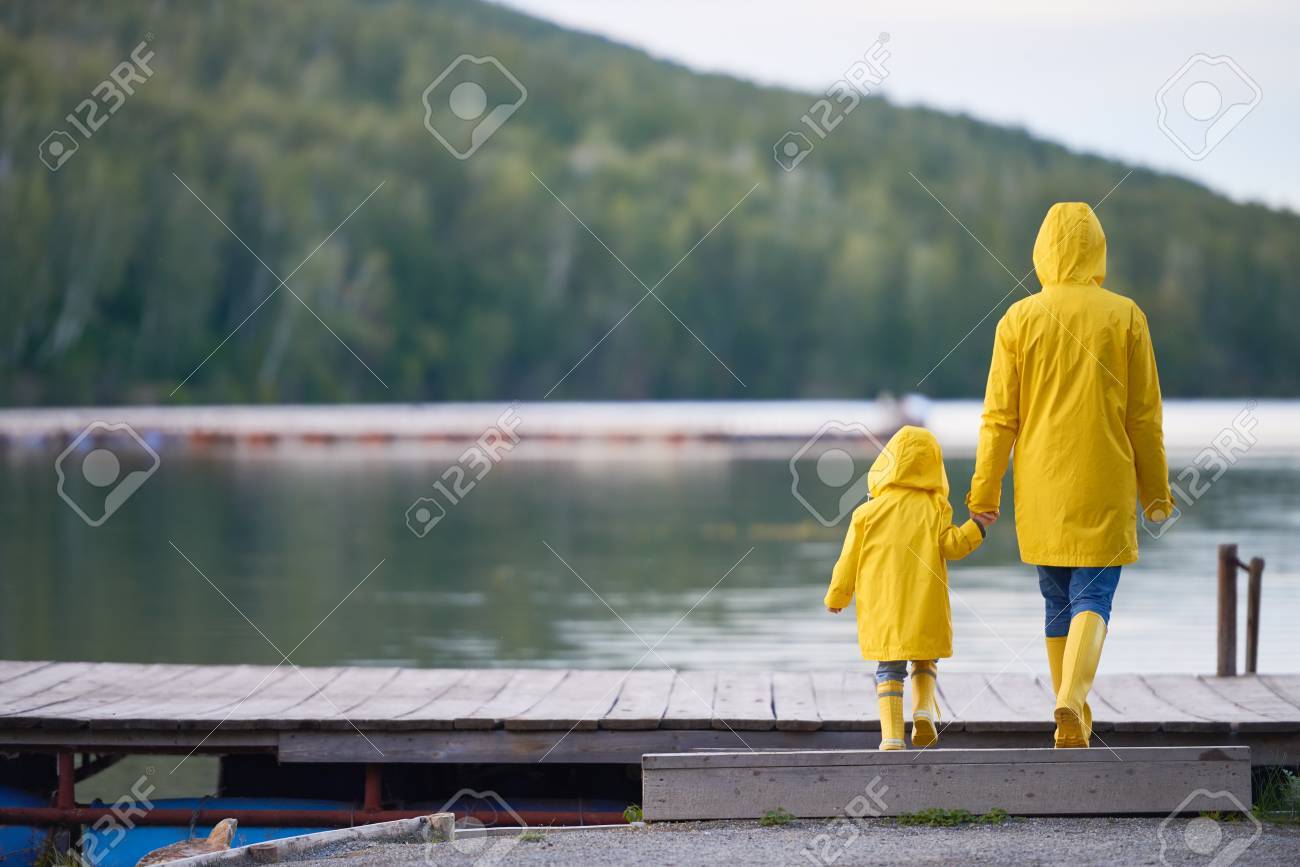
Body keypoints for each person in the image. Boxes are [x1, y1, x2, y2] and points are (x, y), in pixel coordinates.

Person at [966, 202, 1172, 748]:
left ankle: (1070, 717)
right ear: (1098, 250)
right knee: (1094, 601)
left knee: (1057, 603)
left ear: (1041, 252)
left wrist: (984, 492)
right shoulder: (1125, 315)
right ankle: (1071, 701)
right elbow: (1144, 416)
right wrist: (1155, 492)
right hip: (1103, 483)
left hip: (1041, 489)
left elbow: (998, 418)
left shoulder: (1018, 319)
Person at [825, 425, 996, 750]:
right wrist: (978, 526)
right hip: (924, 603)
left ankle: (891, 737)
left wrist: (838, 595)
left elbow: (848, 559)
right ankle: (922, 712)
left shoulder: (866, 512)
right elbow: (953, 547)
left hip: (884, 606)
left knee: (888, 667)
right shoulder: (935, 509)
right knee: (925, 658)